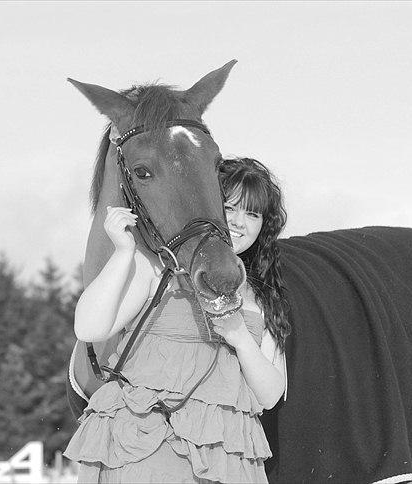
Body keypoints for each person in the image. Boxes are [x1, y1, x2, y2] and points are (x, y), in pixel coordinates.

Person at [64, 157, 290, 483]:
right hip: (144, 448)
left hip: (224, 458)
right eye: (230, 208)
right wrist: (124, 252)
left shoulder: (261, 296)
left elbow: (270, 396)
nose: (240, 222)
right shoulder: (157, 269)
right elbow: (88, 328)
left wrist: (240, 338)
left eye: (252, 213)